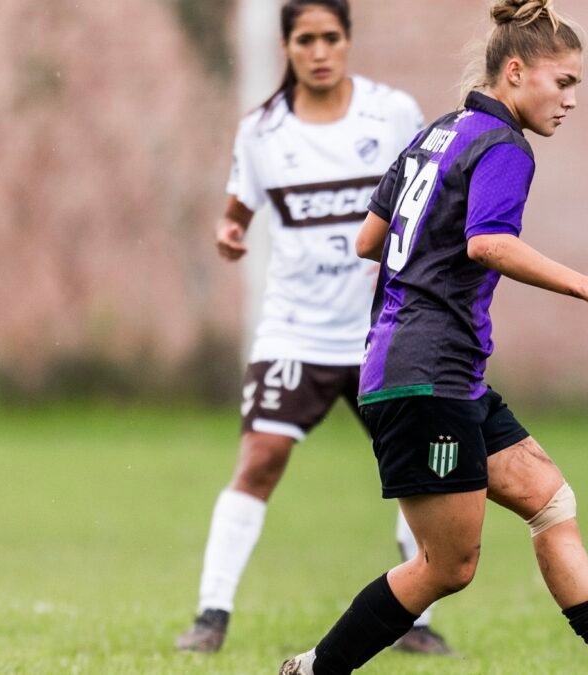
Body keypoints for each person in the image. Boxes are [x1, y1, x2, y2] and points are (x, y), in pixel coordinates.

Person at [278, 1, 588, 674]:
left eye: (577, 86)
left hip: (439, 369)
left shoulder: (439, 133)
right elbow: (487, 242)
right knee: (448, 566)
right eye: (563, 82)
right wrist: (585, 284)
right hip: (427, 373)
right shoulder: (503, 145)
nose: (571, 99)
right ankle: (313, 669)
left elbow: (368, 239)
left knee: (548, 497)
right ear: (514, 70)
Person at [175, 0, 450, 654]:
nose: (319, 51)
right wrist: (229, 229)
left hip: (384, 328)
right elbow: (238, 206)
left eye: (331, 37)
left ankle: (416, 622)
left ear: (348, 40)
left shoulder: (393, 114)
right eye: (306, 39)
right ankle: (211, 614)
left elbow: (430, 200)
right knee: (260, 457)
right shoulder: (263, 130)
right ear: (287, 46)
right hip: (296, 330)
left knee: (412, 469)